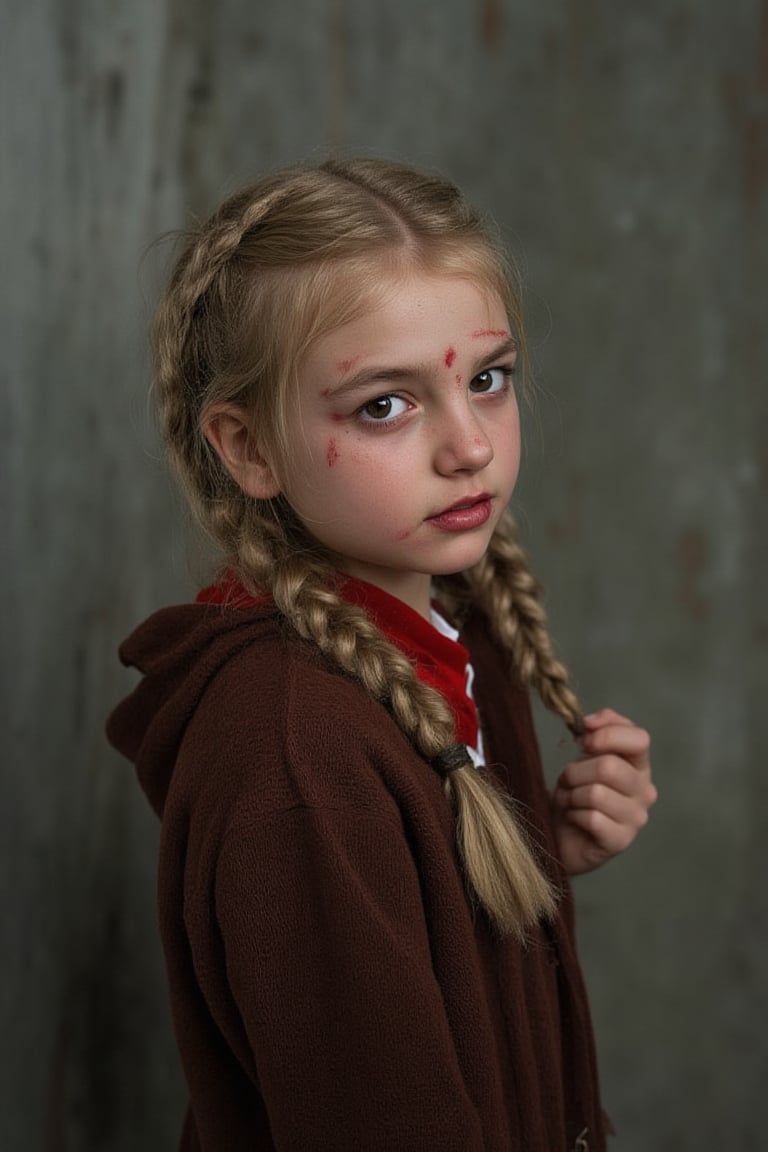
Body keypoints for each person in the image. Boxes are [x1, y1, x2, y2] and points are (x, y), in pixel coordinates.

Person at [107, 158, 656, 1152]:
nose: (469, 447)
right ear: (249, 448)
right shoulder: (295, 756)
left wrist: (539, 858)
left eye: (486, 381)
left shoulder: (452, 635)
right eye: (384, 405)